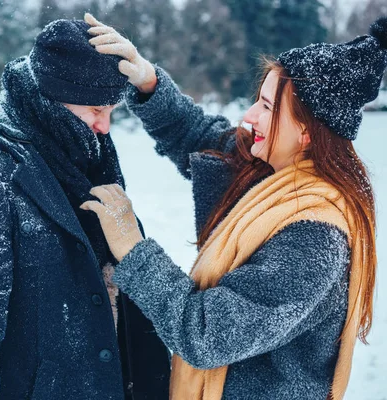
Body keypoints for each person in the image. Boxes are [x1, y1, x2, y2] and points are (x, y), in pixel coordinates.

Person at [81, 13, 387, 400]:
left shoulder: (314, 236)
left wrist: (133, 250)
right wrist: (148, 81)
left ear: (307, 130)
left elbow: (206, 334)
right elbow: (197, 136)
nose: (249, 116)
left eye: (267, 106)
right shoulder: (268, 175)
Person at [0, 19, 170, 400]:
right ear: (54, 99)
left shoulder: (84, 155)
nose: (104, 127)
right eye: (94, 110)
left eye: (111, 111)